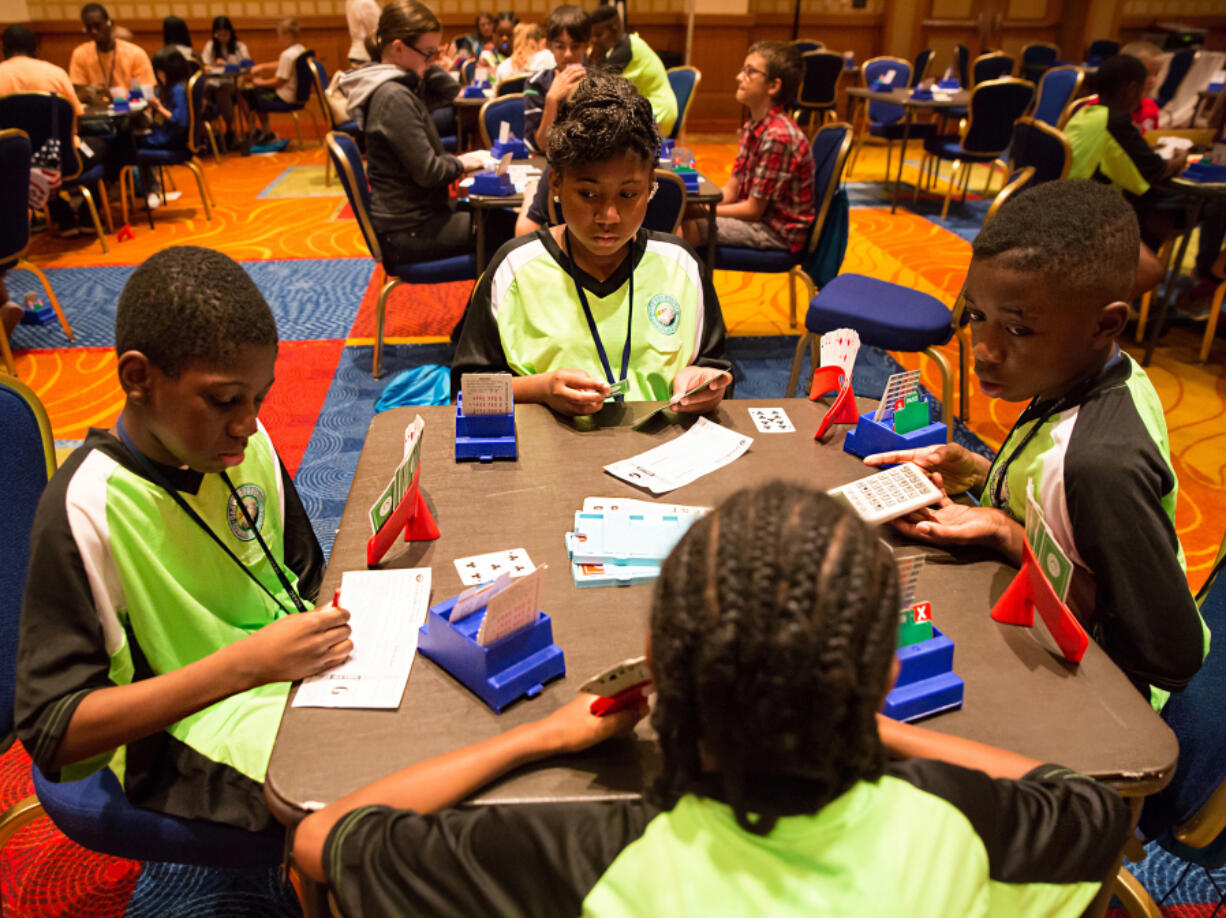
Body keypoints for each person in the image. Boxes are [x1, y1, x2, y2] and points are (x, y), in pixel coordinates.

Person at [292, 481, 1132, 918]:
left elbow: (322, 837)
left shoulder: (568, 857)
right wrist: (872, 727)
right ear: (878, 676)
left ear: (658, 666)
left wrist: (534, 742)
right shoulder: (965, 828)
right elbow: (1087, 803)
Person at [14, 246, 352, 835]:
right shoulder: (86, 507)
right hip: (176, 735)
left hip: (277, 675)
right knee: (375, 795)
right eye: (224, 401)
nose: (248, 422)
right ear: (138, 378)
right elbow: (54, 731)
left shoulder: (242, 443)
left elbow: (302, 577)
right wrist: (246, 666)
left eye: (259, 399)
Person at [863, 179, 1208, 711]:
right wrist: (979, 473)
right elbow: (1064, 510)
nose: (984, 349)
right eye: (977, 316)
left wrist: (1009, 535)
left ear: (1105, 324)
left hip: (1104, 692)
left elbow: (1170, 654)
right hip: (1036, 614)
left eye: (1019, 331)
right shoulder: (1087, 373)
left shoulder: (1100, 465)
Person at [453, 70, 730, 415]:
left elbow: (715, 364)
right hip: (548, 459)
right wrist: (541, 388)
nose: (609, 216)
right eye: (588, 194)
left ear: (650, 188)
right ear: (555, 182)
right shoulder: (514, 267)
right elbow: (467, 390)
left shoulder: (682, 266)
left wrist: (700, 378)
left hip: (664, 455)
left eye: (629, 194)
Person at [337, 0, 503, 268]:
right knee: (513, 231)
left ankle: (483, 307)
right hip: (408, 230)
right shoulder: (392, 97)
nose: (432, 61)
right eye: (427, 53)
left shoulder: (396, 86)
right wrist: (463, 162)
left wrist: (424, 65)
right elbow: (430, 172)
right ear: (398, 47)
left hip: (415, 217)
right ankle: (483, 309)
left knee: (498, 216)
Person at [1065, 53, 1225, 303]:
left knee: (1154, 207)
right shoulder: (1114, 122)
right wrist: (1182, 158)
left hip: (1072, 201)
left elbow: (1130, 170)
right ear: (1131, 89)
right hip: (1082, 215)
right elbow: (1155, 171)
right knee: (1174, 225)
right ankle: (1087, 315)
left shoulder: (1085, 114)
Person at [680, 41, 814, 255]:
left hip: (775, 231)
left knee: (684, 228)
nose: (739, 77)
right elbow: (731, 192)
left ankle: (687, 288)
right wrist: (690, 207)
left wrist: (701, 213)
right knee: (678, 211)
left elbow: (753, 210)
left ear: (773, 86)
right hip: (758, 218)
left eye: (750, 72)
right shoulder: (753, 128)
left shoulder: (777, 137)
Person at [588, 3, 676, 137]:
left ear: (614, 28)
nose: (594, 40)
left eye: (598, 35)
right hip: (642, 109)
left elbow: (593, 85)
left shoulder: (626, 50)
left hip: (658, 113)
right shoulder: (617, 49)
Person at [523, 4, 590, 153]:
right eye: (560, 47)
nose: (568, 54)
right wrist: (552, 99)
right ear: (549, 46)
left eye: (576, 46)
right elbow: (543, 145)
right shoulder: (536, 83)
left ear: (586, 46)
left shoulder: (599, 83)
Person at [135, 47, 191, 209]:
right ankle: (149, 190)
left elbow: (179, 121)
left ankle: (150, 191)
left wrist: (158, 107)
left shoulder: (177, 90)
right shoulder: (174, 88)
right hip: (169, 136)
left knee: (132, 144)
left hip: (172, 140)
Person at [69, 2, 154, 105]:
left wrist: (113, 96)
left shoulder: (136, 53)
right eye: (88, 28)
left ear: (110, 24)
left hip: (131, 113)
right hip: (97, 112)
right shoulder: (80, 54)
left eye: (97, 26)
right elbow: (79, 92)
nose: (93, 31)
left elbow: (147, 95)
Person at [243, 18, 307, 145]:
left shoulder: (287, 54)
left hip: (286, 98)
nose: (278, 39)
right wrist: (263, 66)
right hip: (298, 96)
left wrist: (259, 82)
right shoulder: (300, 50)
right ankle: (265, 132)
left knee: (253, 94)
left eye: (279, 36)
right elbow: (282, 65)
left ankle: (264, 132)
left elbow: (279, 82)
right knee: (259, 90)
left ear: (287, 35)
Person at [199, 15, 248, 148]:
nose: (223, 38)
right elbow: (204, 66)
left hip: (232, 83)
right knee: (204, 90)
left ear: (230, 33)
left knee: (222, 90)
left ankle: (229, 129)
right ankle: (203, 130)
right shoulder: (210, 46)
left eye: (225, 34)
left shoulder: (239, 46)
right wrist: (215, 65)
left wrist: (226, 64)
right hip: (212, 82)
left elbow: (246, 67)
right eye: (219, 35)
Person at [345, 0, 381, 66]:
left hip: (357, 54)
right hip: (367, 54)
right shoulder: (366, 3)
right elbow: (378, 29)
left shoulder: (351, 1)